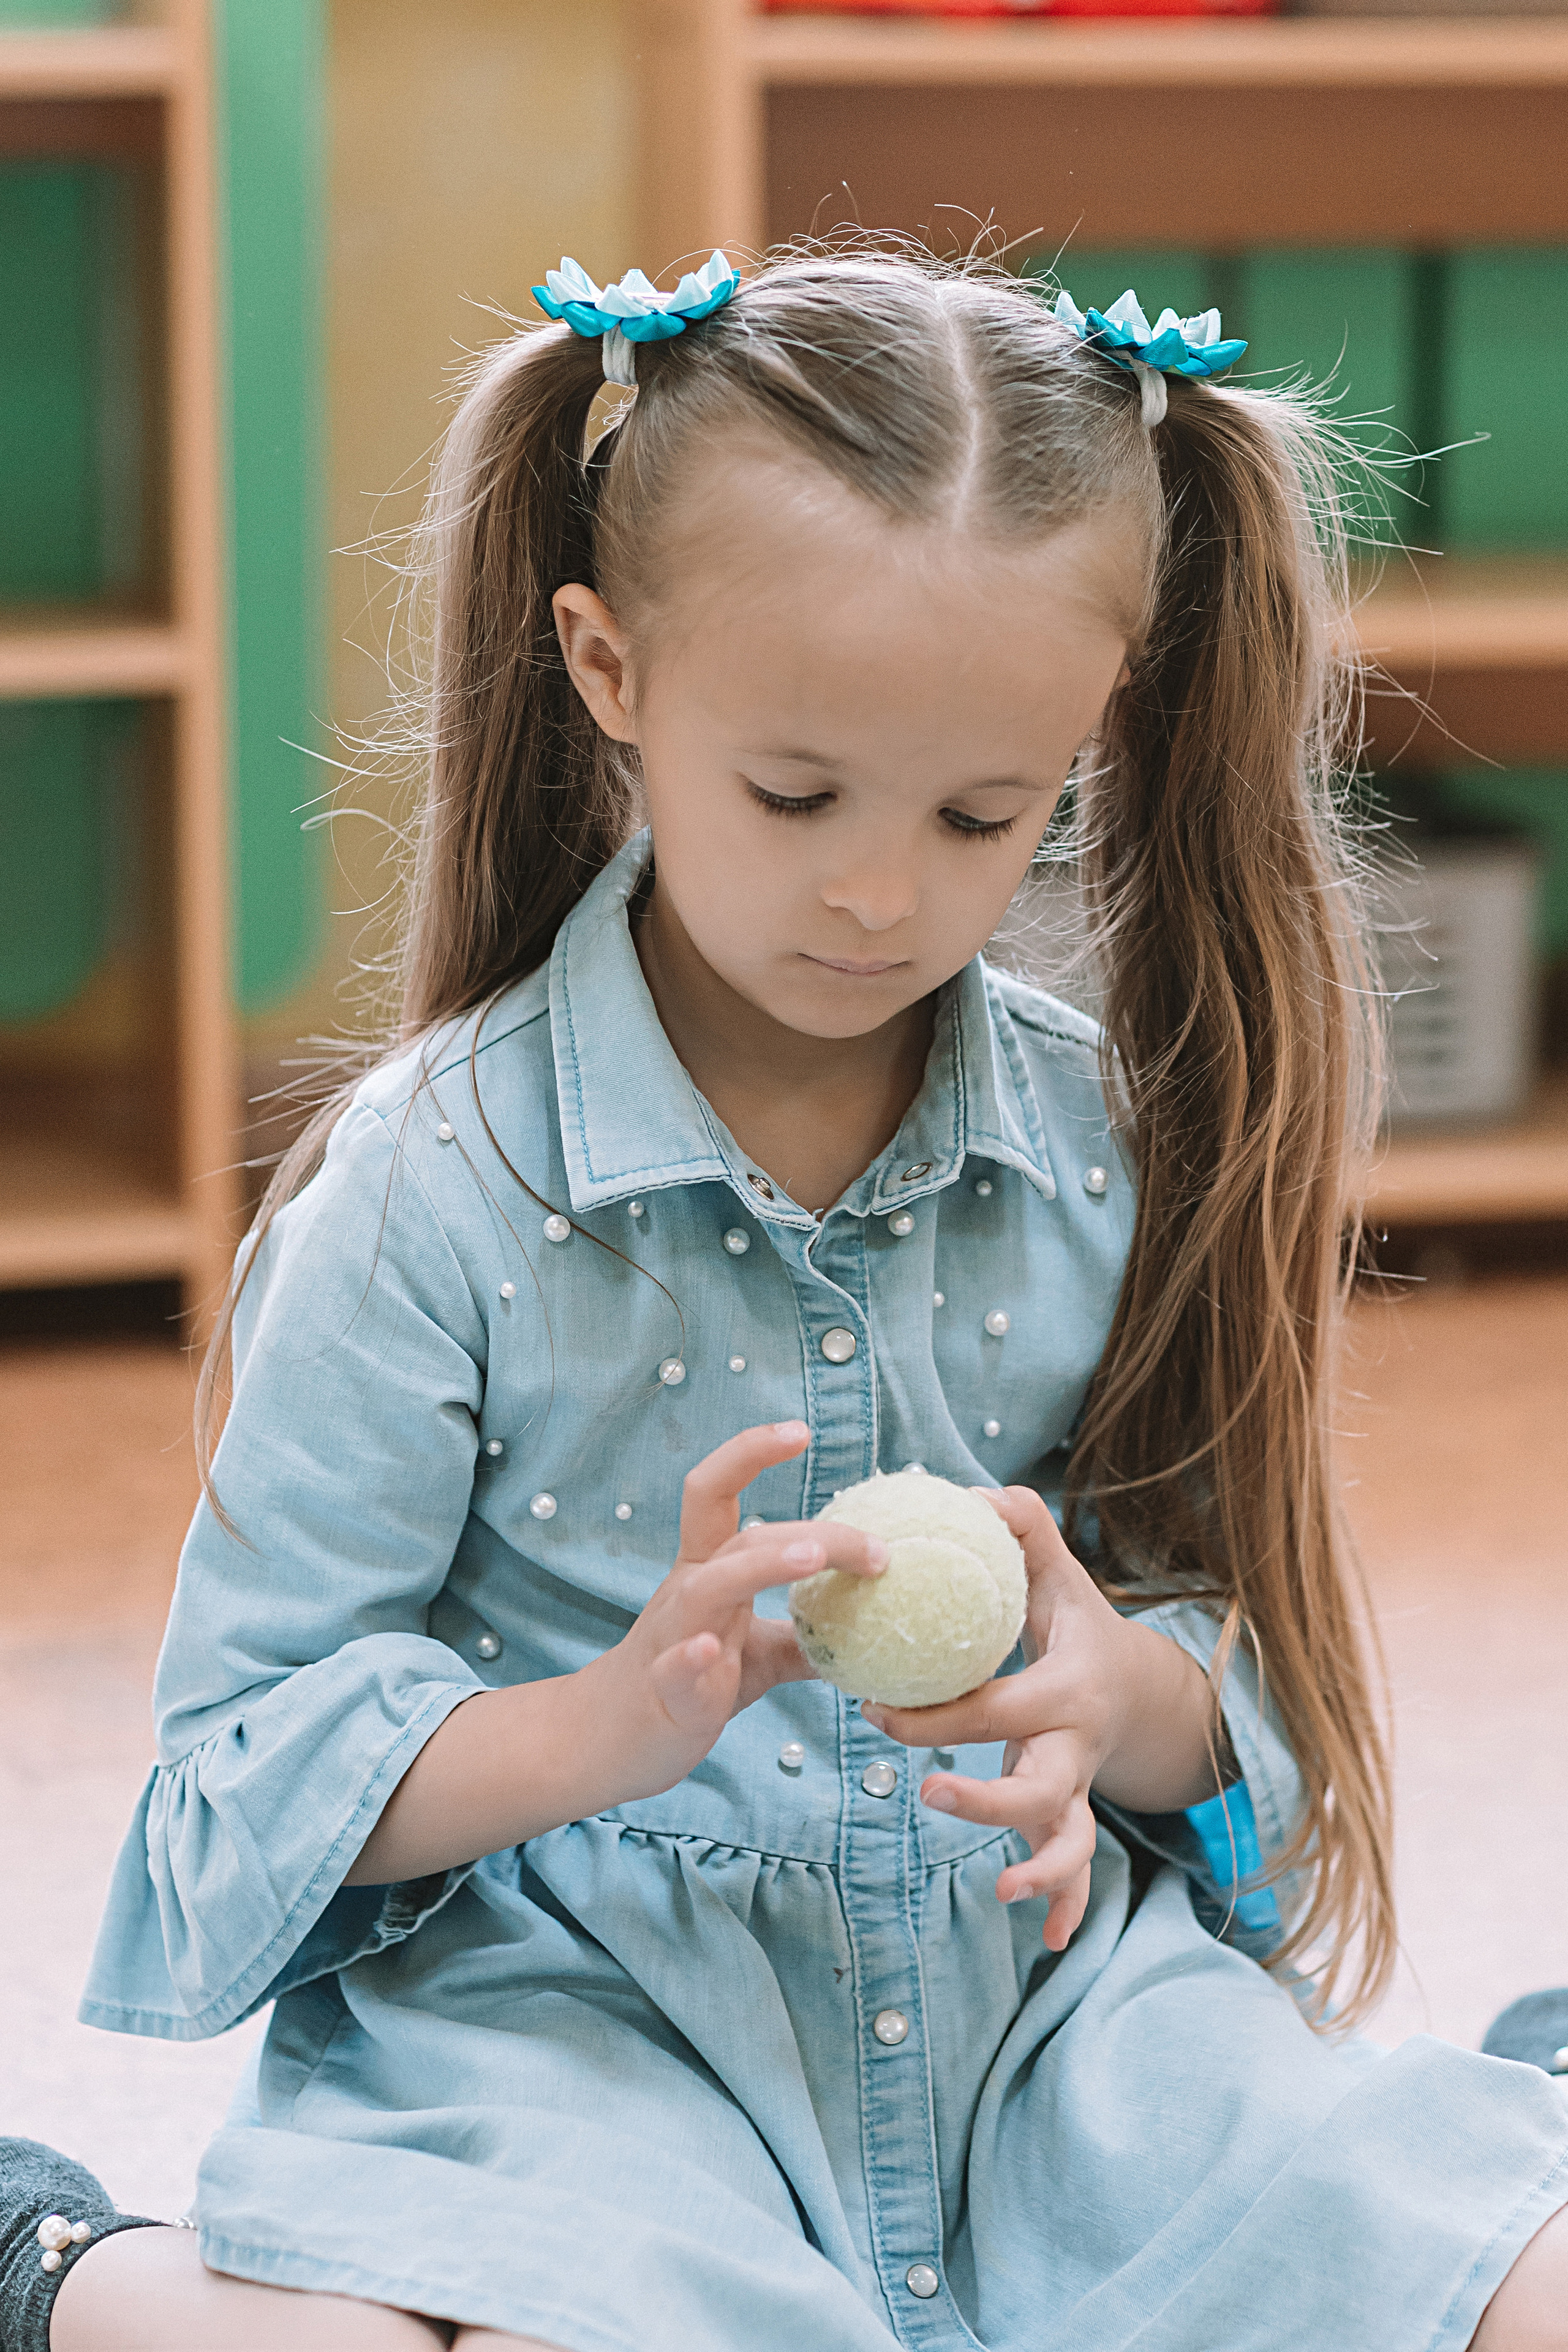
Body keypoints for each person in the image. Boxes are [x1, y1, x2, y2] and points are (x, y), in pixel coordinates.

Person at [4, 246, 1566, 2352]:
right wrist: (597, 1726)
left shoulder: (1106, 1141)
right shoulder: (429, 1189)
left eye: (983, 816)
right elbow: (232, 1787)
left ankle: (1510, 2104)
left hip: (1045, 2028)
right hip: (582, 2044)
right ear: (608, 664)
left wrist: (1121, 1701)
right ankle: (68, 2267)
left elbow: (1248, 1707)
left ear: (1087, 738)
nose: (879, 890)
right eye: (796, 792)